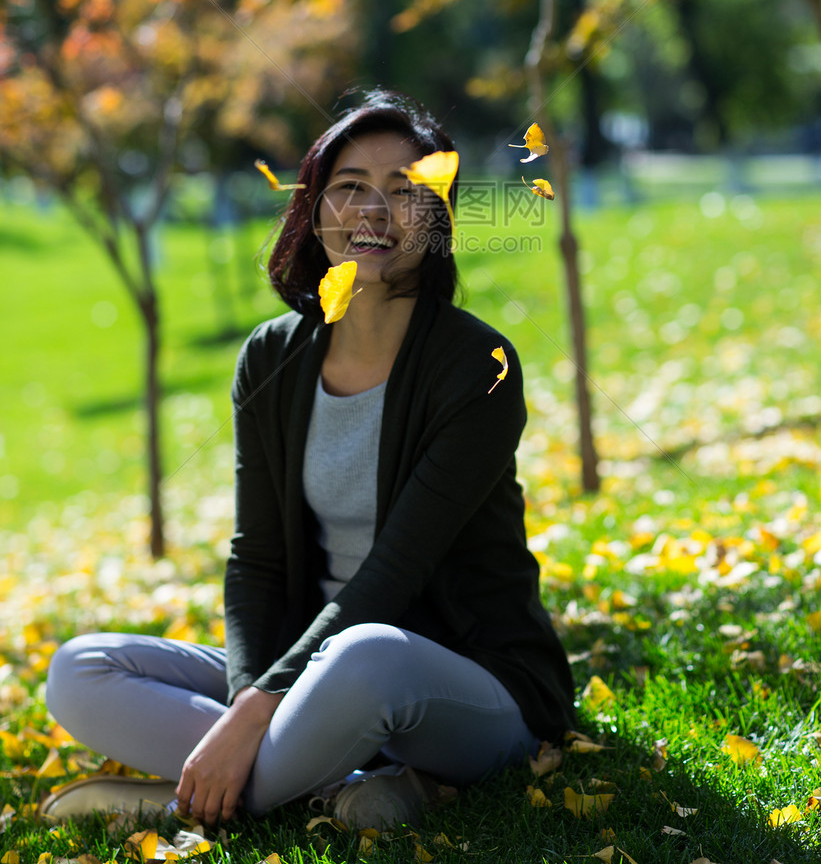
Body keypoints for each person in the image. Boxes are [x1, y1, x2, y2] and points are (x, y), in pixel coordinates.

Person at [45, 89, 574, 830]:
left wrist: (260, 710)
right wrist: (246, 702)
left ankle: (182, 807)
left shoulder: (477, 366)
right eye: (350, 188)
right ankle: (355, 783)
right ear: (314, 208)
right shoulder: (271, 357)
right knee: (80, 669)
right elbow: (255, 557)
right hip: (307, 673)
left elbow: (397, 571)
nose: (373, 213)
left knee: (368, 655)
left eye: (407, 193)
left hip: (458, 680)